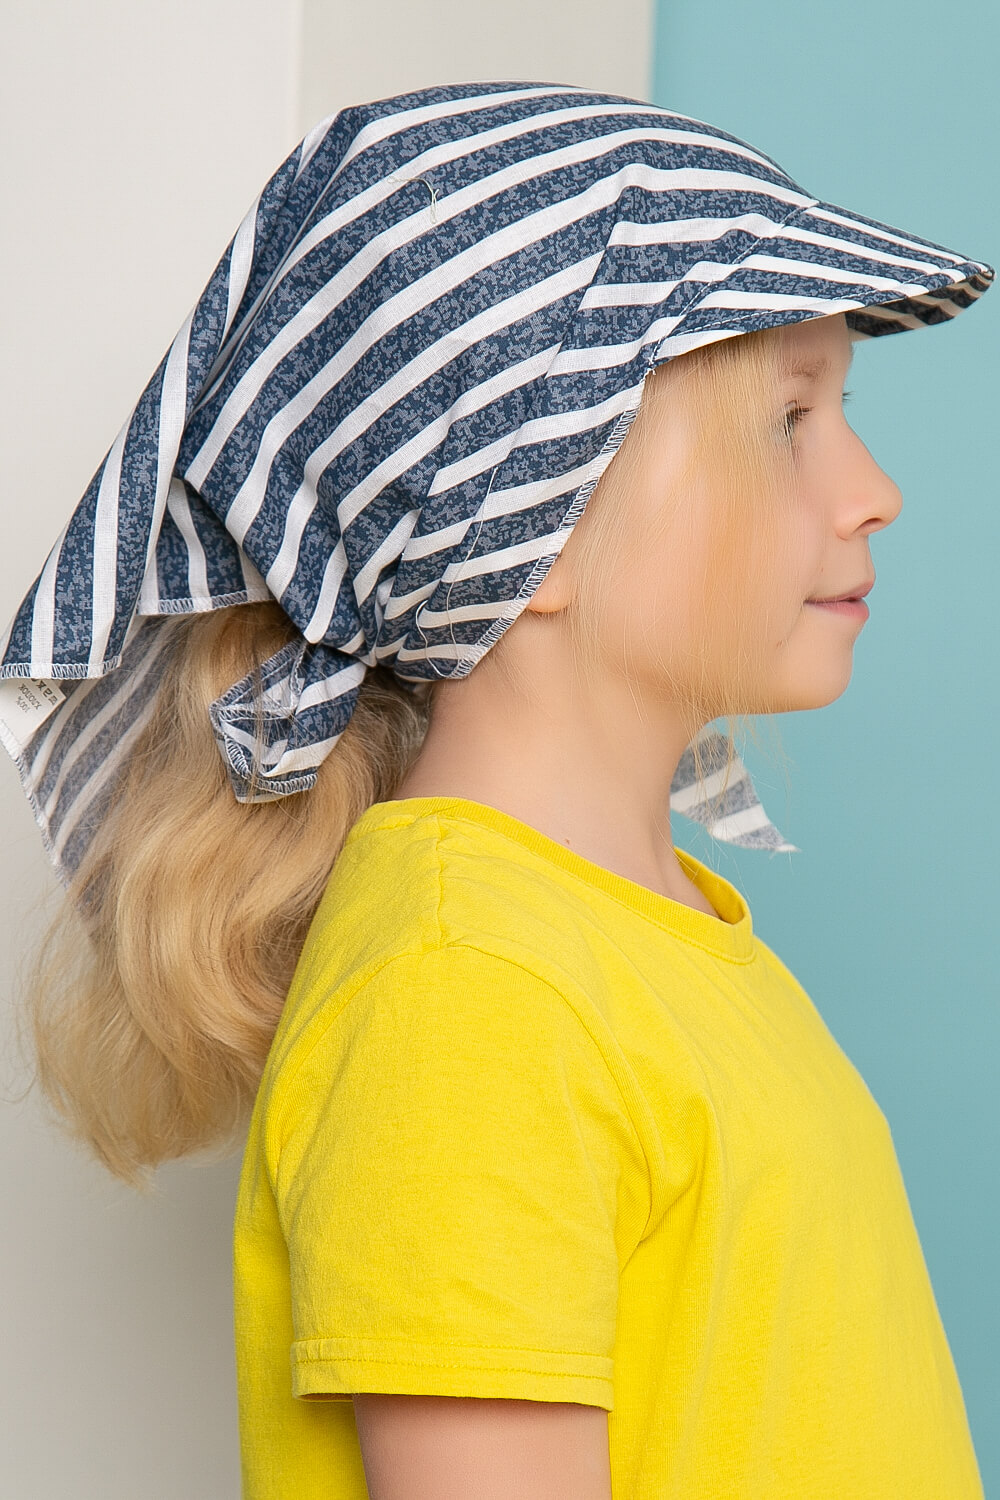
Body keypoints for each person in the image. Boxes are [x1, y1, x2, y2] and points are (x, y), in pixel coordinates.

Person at [0, 80, 993, 1500]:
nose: (872, 489)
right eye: (788, 420)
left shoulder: (628, 939)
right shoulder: (469, 992)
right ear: (533, 523)